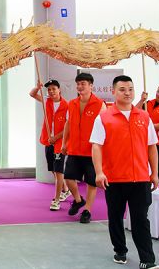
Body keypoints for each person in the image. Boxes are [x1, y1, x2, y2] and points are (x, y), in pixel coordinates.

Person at [90, 75, 159, 269]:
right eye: (122, 89)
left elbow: (152, 146)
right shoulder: (104, 118)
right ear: (113, 91)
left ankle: (147, 260)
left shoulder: (144, 117)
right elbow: (96, 146)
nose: (127, 93)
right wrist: (99, 172)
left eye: (130, 89)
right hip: (114, 178)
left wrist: (154, 173)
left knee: (141, 220)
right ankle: (120, 250)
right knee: (115, 218)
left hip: (140, 178)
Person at [61, 72, 106, 223]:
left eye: (83, 84)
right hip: (74, 148)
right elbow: (68, 124)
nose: (80, 87)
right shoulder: (72, 103)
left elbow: (106, 127)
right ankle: (78, 200)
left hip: (92, 150)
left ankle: (87, 210)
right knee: (68, 178)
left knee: (91, 182)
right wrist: (64, 143)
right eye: (78, 84)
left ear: (91, 86)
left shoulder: (100, 104)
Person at [29, 79, 70, 211]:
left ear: (59, 90)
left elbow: (68, 127)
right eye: (49, 89)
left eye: (54, 89)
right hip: (48, 141)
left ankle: (56, 200)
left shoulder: (67, 106)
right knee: (53, 169)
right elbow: (32, 94)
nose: (51, 91)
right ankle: (66, 190)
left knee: (58, 171)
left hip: (60, 143)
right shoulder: (47, 102)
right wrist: (37, 87)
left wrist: (56, 137)